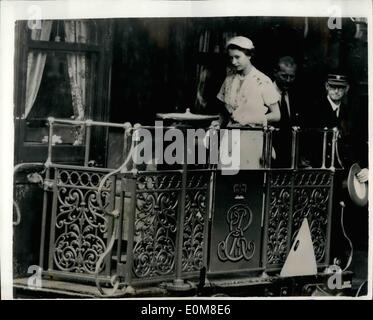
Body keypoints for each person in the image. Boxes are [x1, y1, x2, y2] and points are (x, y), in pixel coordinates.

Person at [216, 36, 280, 169]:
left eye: (237, 57)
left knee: (248, 184)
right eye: (230, 57)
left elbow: (276, 115)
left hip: (252, 141)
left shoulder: (262, 80)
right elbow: (224, 111)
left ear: (249, 55)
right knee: (226, 183)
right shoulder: (229, 79)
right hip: (229, 139)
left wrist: (251, 118)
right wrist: (217, 124)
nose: (233, 61)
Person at [272, 56, 303, 167]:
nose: (288, 81)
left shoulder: (297, 96)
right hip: (268, 158)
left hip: (290, 161)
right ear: (275, 72)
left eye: (292, 77)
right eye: (284, 76)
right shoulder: (263, 93)